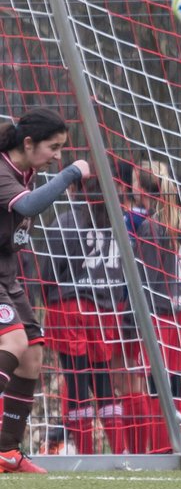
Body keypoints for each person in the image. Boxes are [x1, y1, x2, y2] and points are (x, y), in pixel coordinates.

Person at [0, 108, 90, 472]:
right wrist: (72, 173)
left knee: (32, 354)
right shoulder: (3, 170)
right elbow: (31, 204)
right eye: (53, 147)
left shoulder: (27, 170)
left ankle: (6, 450)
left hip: (7, 274)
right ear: (27, 143)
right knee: (14, 342)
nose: (58, 155)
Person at [41, 174, 128, 454]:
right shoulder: (119, 221)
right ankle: (122, 451)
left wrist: (46, 302)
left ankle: (86, 455)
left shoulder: (66, 221)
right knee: (103, 383)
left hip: (69, 309)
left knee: (76, 384)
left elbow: (48, 273)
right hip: (105, 310)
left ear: (76, 189)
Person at [130, 160, 181, 454]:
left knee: (158, 384)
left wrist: (133, 318)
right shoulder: (180, 220)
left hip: (160, 314)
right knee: (175, 382)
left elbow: (145, 280)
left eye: (134, 180)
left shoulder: (151, 227)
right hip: (179, 311)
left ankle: (163, 447)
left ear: (141, 188)